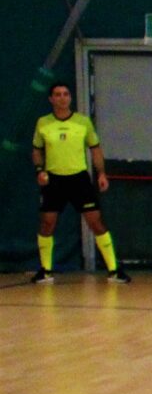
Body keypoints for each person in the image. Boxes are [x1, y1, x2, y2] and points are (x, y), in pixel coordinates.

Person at [30, 83, 125, 283]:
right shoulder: (43, 123)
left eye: (66, 94)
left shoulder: (83, 122)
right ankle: (46, 270)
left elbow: (95, 149)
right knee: (47, 223)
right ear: (51, 99)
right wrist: (40, 170)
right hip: (54, 180)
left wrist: (101, 174)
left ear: (70, 98)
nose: (62, 98)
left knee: (95, 221)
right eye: (58, 95)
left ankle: (114, 270)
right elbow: (37, 151)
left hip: (78, 179)